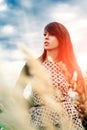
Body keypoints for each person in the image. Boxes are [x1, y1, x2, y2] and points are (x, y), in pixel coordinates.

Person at [16, 22, 86, 130]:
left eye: (51, 34)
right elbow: (17, 90)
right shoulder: (32, 65)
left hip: (67, 119)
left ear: (62, 38)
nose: (46, 37)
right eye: (44, 34)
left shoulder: (71, 67)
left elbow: (83, 96)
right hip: (41, 119)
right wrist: (28, 110)